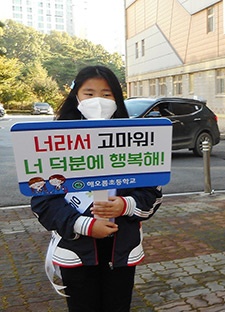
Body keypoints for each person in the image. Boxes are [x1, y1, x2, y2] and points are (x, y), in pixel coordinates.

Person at [31, 65, 163, 311]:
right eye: (89, 94)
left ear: (117, 98)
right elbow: (43, 200)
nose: (98, 101)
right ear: (77, 97)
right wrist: (86, 225)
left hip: (122, 249)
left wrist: (125, 205)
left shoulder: (136, 139)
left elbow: (152, 194)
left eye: (106, 94)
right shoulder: (52, 141)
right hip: (76, 249)